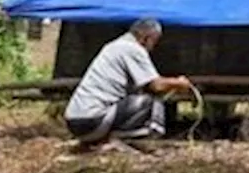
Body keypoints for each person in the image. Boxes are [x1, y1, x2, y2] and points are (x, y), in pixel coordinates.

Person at [63, 18, 194, 148]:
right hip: (92, 122)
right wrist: (179, 83)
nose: (153, 47)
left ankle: (103, 138)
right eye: (154, 41)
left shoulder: (113, 46)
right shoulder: (133, 49)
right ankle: (135, 140)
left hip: (74, 122)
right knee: (151, 102)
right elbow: (156, 85)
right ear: (146, 37)